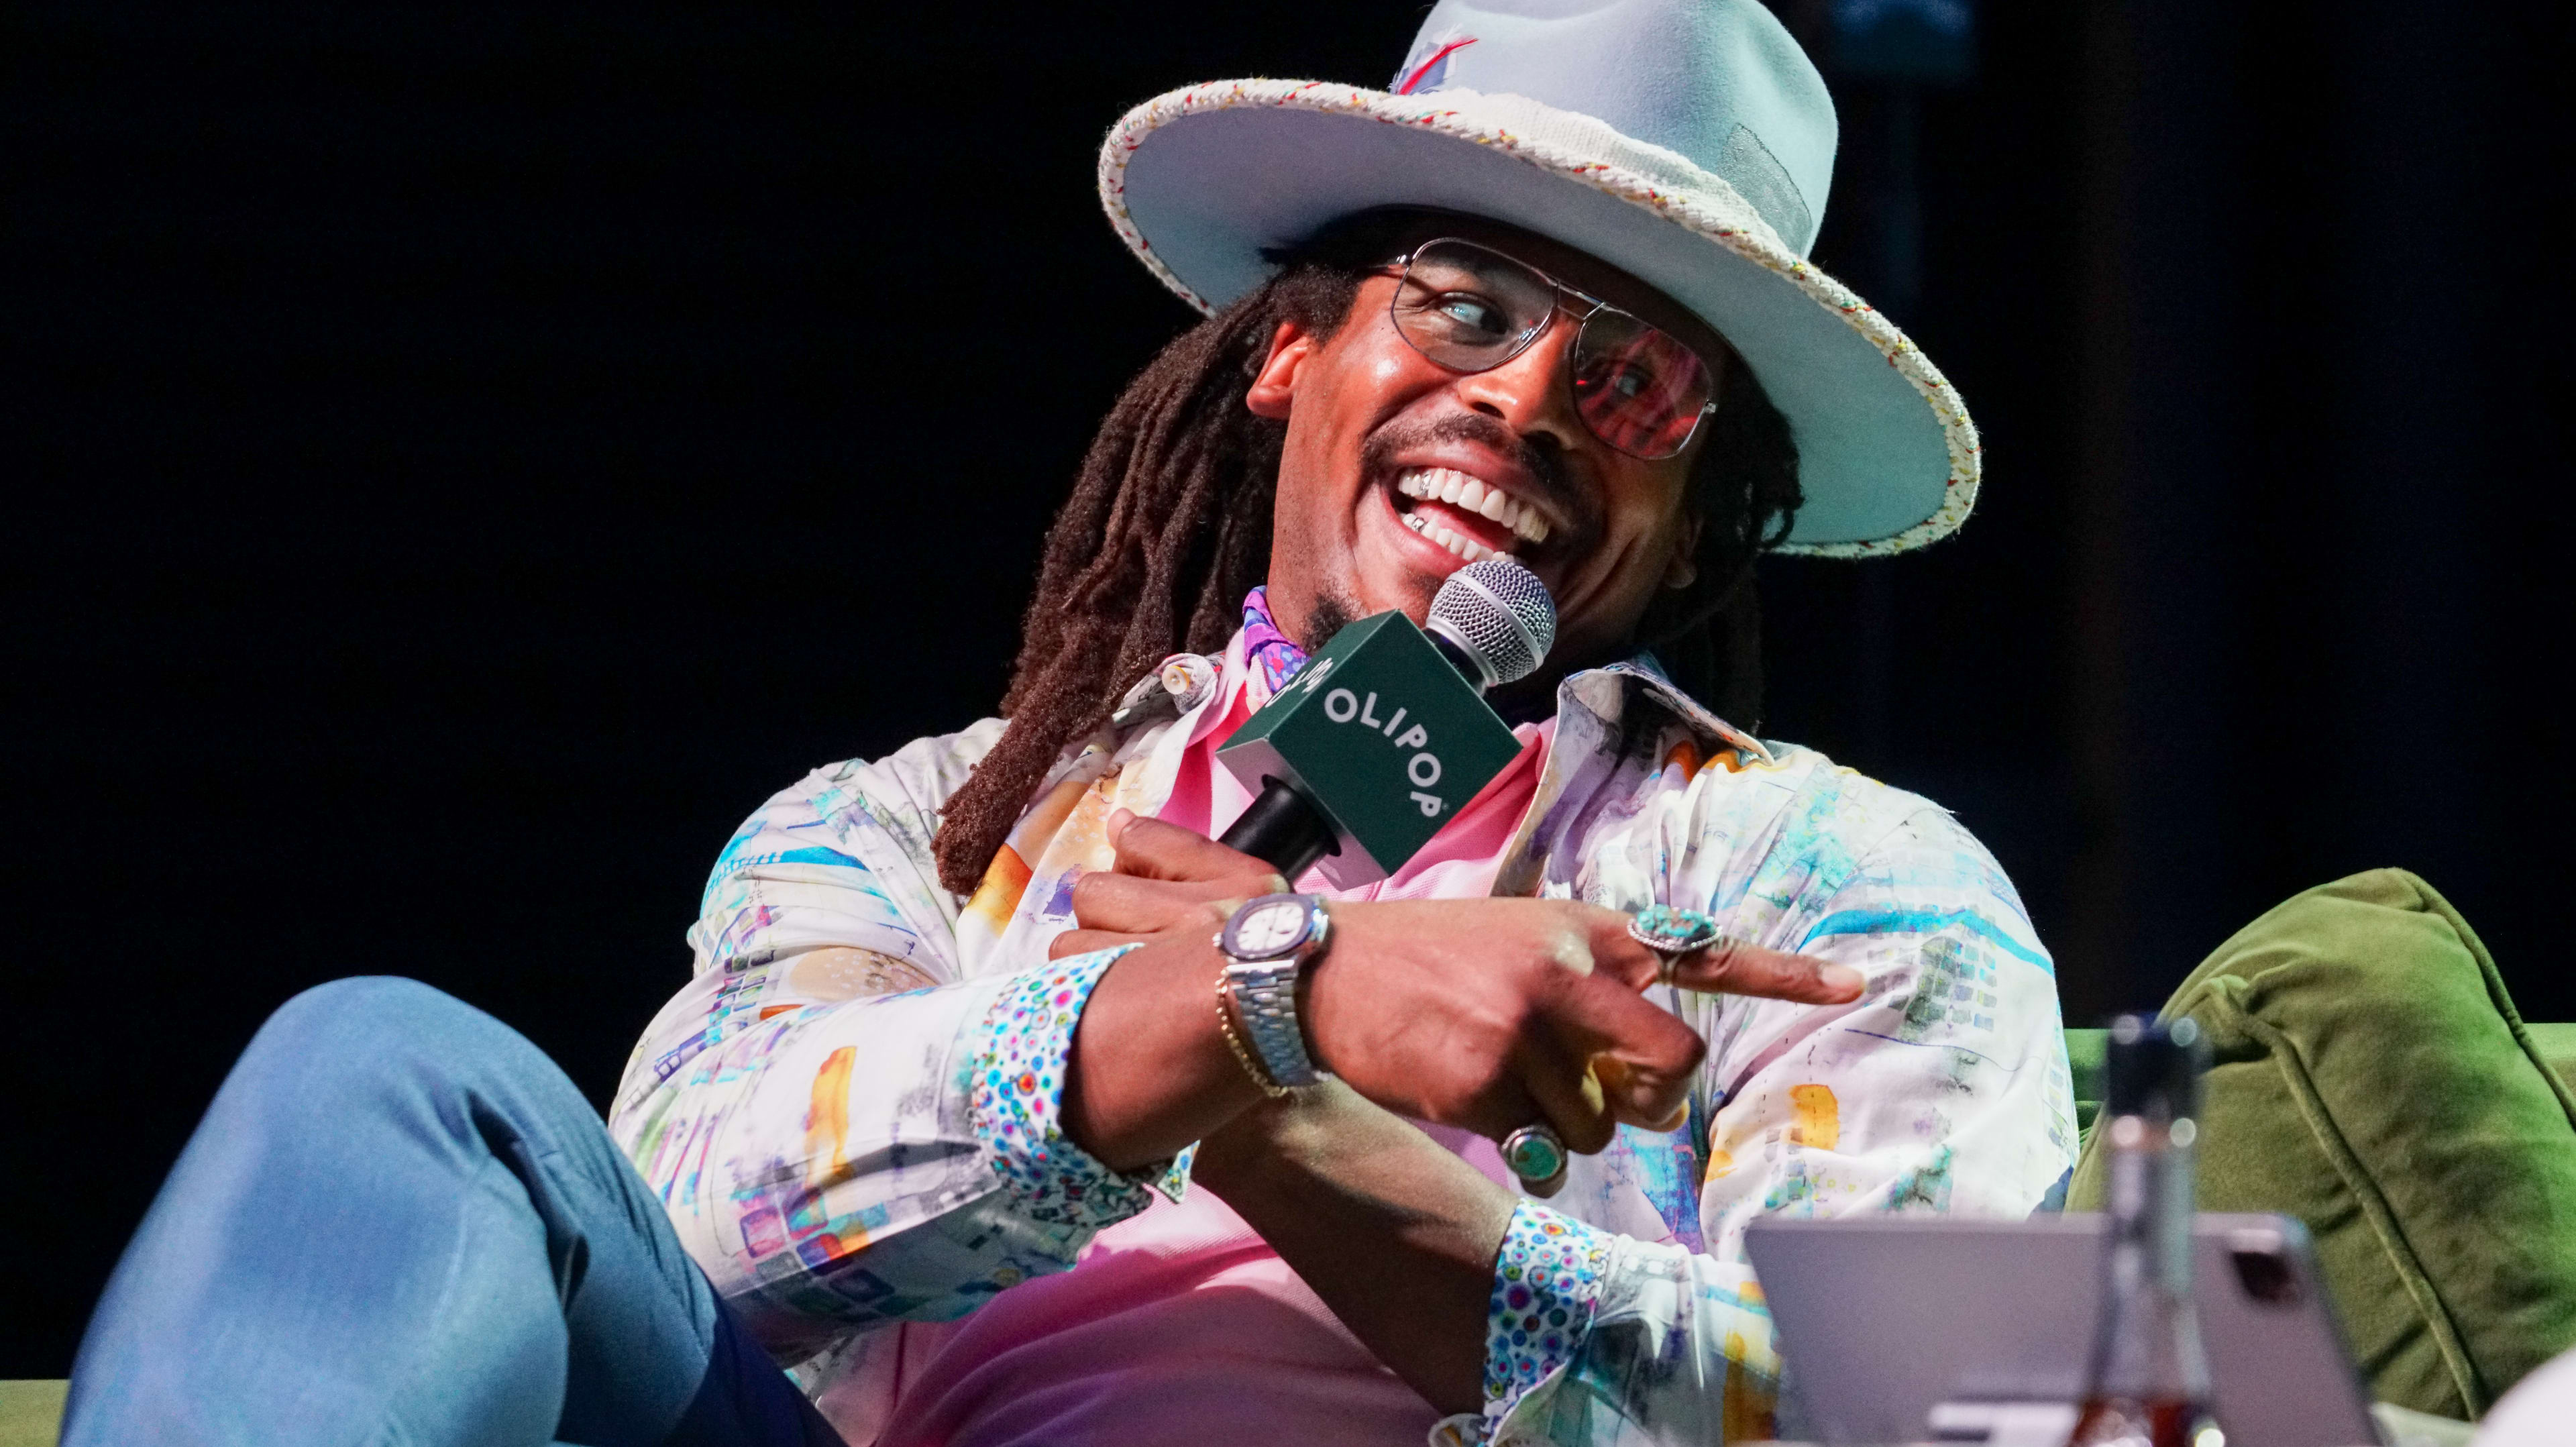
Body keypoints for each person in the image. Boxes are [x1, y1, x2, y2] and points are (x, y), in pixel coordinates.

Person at [65, 2, 2076, 1444]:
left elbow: (1920, 1418)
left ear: (1699, 503)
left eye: (1637, 382)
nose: (1530, 405)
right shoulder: (925, 828)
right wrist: (1233, 1008)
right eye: (1462, 301)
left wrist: (1292, 1114)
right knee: (393, 1074)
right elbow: (694, 1209)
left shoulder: (1826, 883)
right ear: (1292, 348)